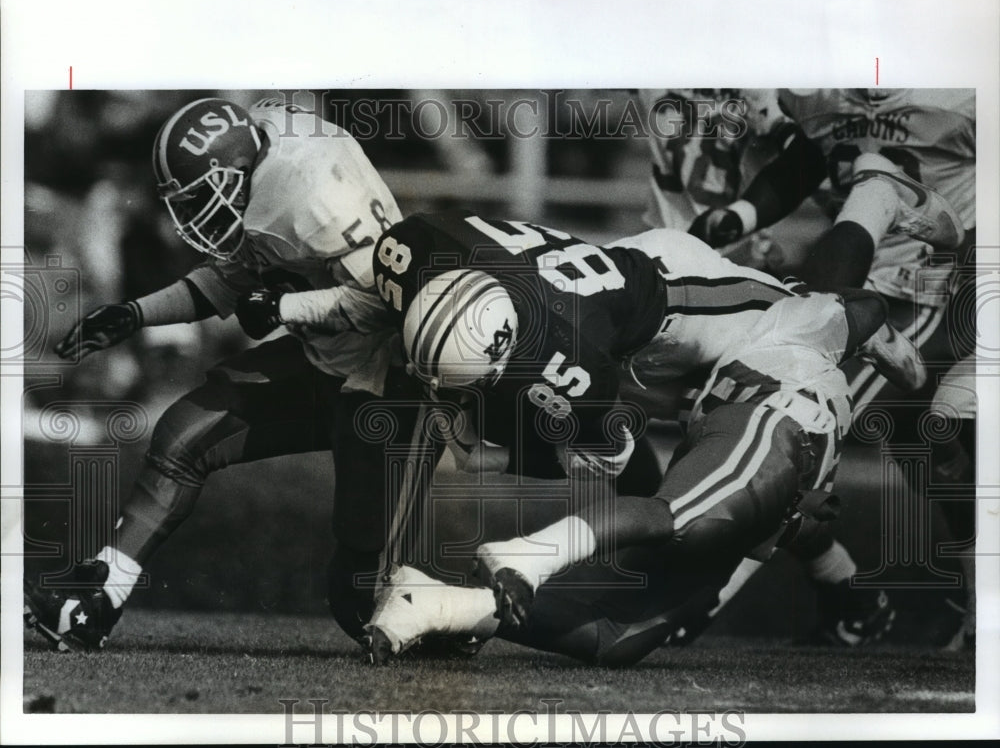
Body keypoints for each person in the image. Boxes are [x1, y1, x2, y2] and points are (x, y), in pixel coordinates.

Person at [360, 212, 911, 663]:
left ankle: (461, 594)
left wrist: (497, 457)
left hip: (684, 315)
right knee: (656, 578)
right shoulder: (432, 264)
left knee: (637, 604)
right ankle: (484, 580)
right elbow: (619, 455)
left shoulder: (574, 361)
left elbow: (618, 452)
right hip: (697, 361)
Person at [23, 96, 417, 651]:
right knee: (184, 434)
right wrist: (133, 314)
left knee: (359, 600)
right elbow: (225, 283)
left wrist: (284, 309)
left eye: (201, 198)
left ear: (234, 172)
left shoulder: (312, 197)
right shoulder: (264, 162)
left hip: (382, 384)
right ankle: (97, 599)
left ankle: (485, 608)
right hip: (327, 359)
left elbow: (385, 301)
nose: (191, 217)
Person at [687, 88, 976, 647]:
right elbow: (805, 162)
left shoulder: (962, 92)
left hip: (937, 288)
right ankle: (933, 606)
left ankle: (695, 599)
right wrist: (744, 212)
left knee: (794, 424)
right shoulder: (816, 94)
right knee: (934, 459)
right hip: (854, 285)